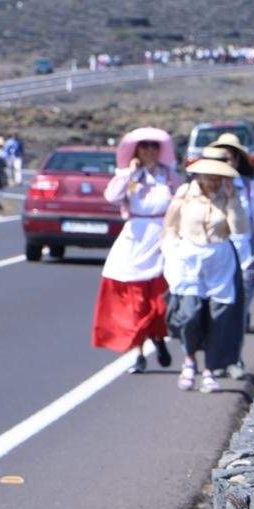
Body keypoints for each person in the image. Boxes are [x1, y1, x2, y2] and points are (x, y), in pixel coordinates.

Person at [162, 147, 246, 393]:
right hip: (189, 259)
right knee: (189, 313)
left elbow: (239, 228)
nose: (211, 181)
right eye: (207, 175)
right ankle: (189, 359)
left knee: (218, 316)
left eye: (216, 176)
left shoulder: (229, 195)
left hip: (219, 259)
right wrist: (171, 254)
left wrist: (232, 200)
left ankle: (210, 368)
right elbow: (169, 227)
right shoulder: (185, 194)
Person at [93, 127, 177, 374]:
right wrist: (130, 173)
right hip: (136, 240)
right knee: (136, 302)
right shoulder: (131, 176)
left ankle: (159, 339)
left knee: (160, 301)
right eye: (145, 146)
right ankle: (138, 353)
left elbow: (181, 199)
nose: (150, 151)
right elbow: (112, 196)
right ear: (137, 150)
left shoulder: (168, 176)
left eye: (154, 146)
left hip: (162, 239)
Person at [207, 131, 254, 379]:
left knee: (239, 310)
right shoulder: (205, 185)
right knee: (217, 310)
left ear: (237, 159)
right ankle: (216, 359)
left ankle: (235, 359)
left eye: (230, 157)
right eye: (221, 158)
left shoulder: (249, 185)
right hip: (213, 257)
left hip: (244, 257)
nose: (227, 163)